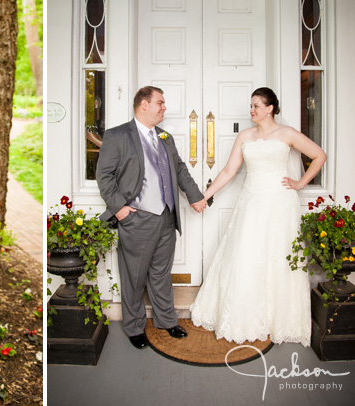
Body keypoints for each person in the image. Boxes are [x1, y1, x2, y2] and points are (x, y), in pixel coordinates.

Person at [190, 87, 327, 346]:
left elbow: (319, 156)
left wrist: (300, 183)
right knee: (247, 256)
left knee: (278, 257)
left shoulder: (286, 133)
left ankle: (277, 319)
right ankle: (244, 316)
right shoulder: (245, 136)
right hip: (252, 203)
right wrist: (205, 196)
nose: (251, 110)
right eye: (251, 106)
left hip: (279, 203)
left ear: (270, 108)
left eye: (256, 105)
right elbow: (229, 171)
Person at [96, 86, 207, 349]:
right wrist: (121, 209)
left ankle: (166, 320)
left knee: (161, 273)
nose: (164, 107)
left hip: (167, 217)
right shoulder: (117, 135)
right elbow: (105, 177)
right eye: (160, 102)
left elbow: (178, 168)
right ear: (143, 105)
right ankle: (134, 327)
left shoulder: (165, 136)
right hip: (137, 219)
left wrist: (195, 196)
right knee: (134, 277)